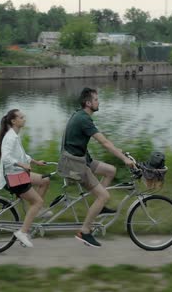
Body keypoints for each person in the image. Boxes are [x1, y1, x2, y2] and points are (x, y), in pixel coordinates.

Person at [58, 87, 135, 248]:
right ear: (88, 103)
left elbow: (105, 143)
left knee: (110, 170)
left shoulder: (79, 115)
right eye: (96, 100)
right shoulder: (84, 119)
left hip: (81, 160)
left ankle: (99, 207)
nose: (98, 102)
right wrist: (124, 159)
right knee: (104, 195)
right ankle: (84, 231)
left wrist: (118, 151)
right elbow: (104, 142)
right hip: (75, 165)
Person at [0, 109, 51, 248]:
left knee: (45, 180)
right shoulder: (10, 137)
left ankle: (35, 211)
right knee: (37, 201)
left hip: (19, 173)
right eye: (21, 117)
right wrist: (22, 164)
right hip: (14, 178)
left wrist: (36, 162)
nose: (24, 119)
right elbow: (6, 158)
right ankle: (22, 232)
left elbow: (21, 155)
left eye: (23, 117)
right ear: (14, 121)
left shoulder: (14, 135)